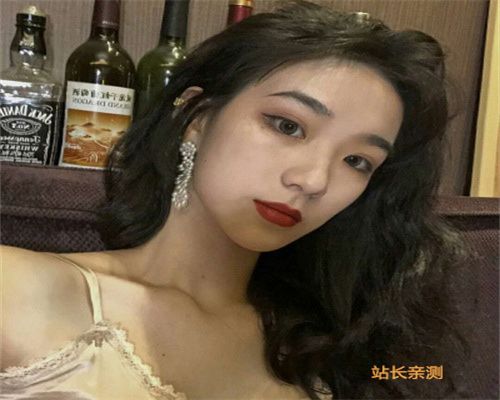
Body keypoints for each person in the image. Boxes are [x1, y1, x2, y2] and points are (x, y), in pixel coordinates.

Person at [1, 1, 470, 399]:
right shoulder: (17, 287)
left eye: (357, 161)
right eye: (287, 126)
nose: (313, 180)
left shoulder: (330, 346)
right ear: (198, 118)